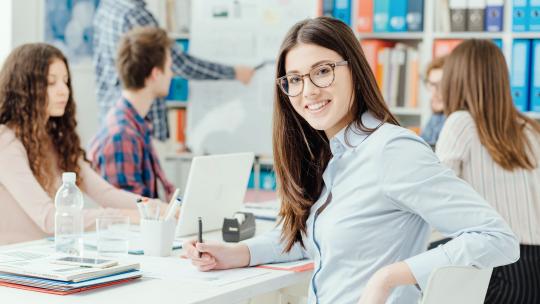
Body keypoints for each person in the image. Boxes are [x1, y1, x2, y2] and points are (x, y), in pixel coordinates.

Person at [182, 17, 519, 304]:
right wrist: (236, 253)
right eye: (295, 79)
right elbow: (314, 238)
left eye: (323, 71)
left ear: (355, 71)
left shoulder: (391, 150)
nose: (308, 91)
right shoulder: (334, 154)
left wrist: (388, 278)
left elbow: (496, 238)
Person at [0, 43, 165, 245]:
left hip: (43, 258)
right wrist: (124, 216)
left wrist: (157, 208)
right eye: (51, 83)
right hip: (13, 266)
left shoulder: (55, 139)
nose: (64, 91)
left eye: (65, 81)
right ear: (24, 89)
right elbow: (50, 219)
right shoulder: (5, 141)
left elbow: (106, 194)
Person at [436, 39, 540, 304]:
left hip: (497, 264)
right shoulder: (531, 128)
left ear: (455, 80)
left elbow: (435, 195)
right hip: (533, 265)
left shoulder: (461, 123)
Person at [93, 0, 255, 141]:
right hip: (142, 122)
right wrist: (234, 72)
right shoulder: (135, 15)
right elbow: (180, 64)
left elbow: (100, 68)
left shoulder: (107, 6)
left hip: (110, 116)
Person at [88, 27, 175, 199]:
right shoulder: (121, 135)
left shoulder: (136, 124)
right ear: (156, 74)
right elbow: (132, 213)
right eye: (169, 68)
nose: (172, 74)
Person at [420, 56, 446, 146]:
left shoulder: (457, 120)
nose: (434, 93)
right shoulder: (436, 117)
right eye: (431, 84)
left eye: (441, 85)